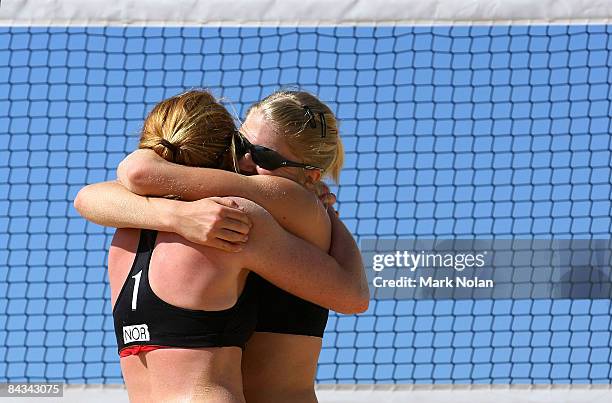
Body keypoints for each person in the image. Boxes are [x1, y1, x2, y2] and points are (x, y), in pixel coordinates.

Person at [74, 90, 369, 402]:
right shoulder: (221, 216)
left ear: (310, 176)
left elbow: (122, 181)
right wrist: (178, 215)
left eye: (264, 157)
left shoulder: (136, 227)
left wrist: (325, 214)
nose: (243, 159)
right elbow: (116, 185)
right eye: (239, 144)